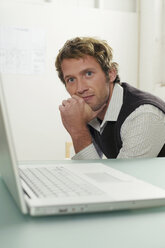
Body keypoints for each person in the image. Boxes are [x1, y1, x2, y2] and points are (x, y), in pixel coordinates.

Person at [55, 37, 165, 159]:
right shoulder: (92, 109)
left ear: (111, 73)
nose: (80, 88)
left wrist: (78, 131)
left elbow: (120, 178)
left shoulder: (143, 116)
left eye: (88, 74)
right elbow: (94, 168)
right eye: (71, 79)